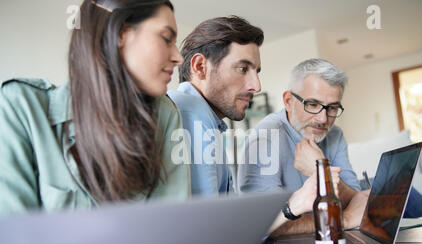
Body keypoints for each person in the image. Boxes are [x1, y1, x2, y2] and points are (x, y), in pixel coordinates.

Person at [0, 0, 189, 218]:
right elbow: (14, 240)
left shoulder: (164, 115)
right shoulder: (22, 107)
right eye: (166, 38)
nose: (178, 57)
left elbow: (167, 230)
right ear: (120, 33)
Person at [238, 58, 369, 238]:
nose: (323, 119)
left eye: (332, 108)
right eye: (313, 104)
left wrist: (319, 169)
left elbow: (355, 201)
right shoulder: (266, 137)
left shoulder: (334, 134)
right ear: (289, 101)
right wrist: (342, 220)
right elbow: (263, 224)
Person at [168, 16, 263, 196]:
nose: (256, 86)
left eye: (256, 72)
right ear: (200, 66)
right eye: (243, 69)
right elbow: (208, 220)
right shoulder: (190, 113)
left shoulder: (206, 119)